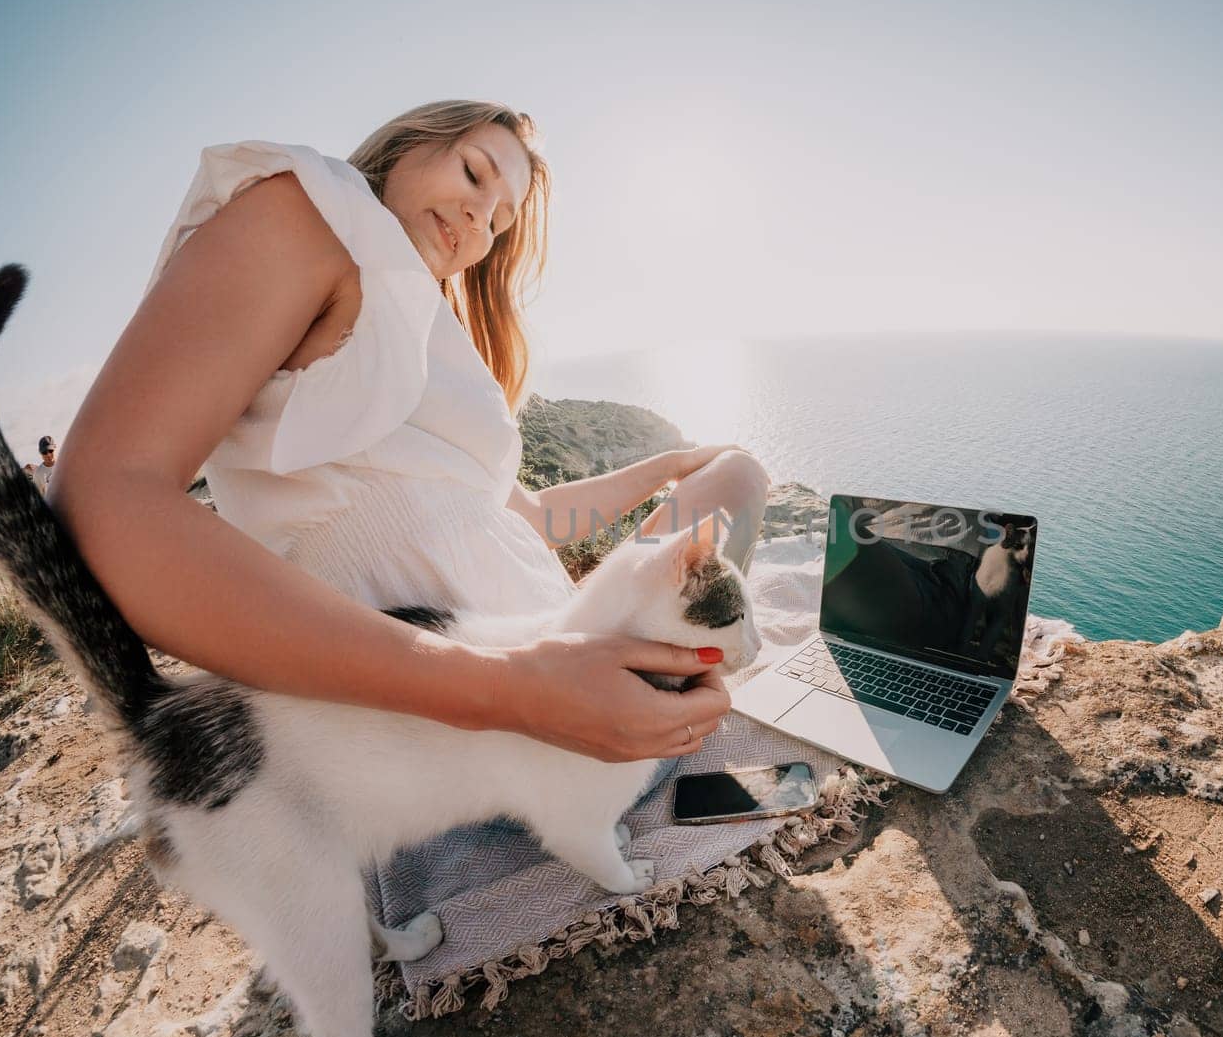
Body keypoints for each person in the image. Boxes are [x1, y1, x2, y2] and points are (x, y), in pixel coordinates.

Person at [49, 100, 770, 765]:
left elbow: (541, 520)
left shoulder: (421, 331)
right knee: (737, 489)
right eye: (472, 172)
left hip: (565, 659)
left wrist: (667, 466)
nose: (480, 215)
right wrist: (515, 688)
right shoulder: (315, 211)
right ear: (405, 145)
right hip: (485, 711)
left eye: (500, 219)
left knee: (735, 472)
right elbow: (104, 494)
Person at [23, 434, 59, 498]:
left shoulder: (64, 465)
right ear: (40, 453)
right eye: (44, 452)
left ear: (55, 448)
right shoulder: (38, 474)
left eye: (50, 451)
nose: (48, 455)